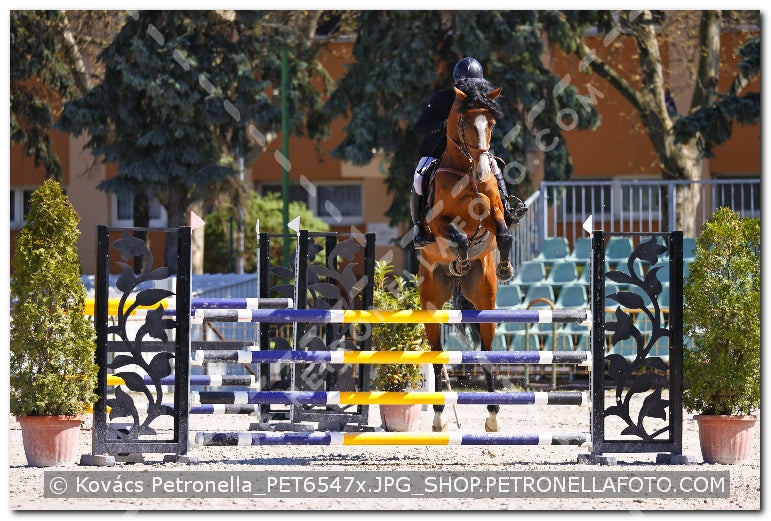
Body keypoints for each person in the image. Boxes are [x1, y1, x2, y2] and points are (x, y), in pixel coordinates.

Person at [411, 57, 525, 249]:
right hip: (437, 152)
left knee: (495, 166)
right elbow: (420, 128)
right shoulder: (440, 98)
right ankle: (420, 227)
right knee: (418, 178)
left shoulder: (481, 100)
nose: (471, 89)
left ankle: (506, 209)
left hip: (473, 151)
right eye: (466, 84)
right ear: (457, 82)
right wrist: (442, 125)